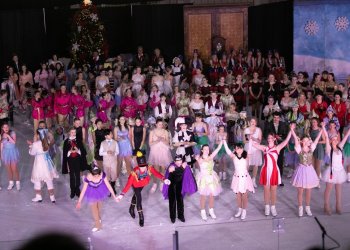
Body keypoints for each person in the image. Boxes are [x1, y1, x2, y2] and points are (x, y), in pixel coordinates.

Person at [116, 151, 170, 227]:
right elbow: (128, 184)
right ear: (138, 165)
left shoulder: (149, 168)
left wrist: (164, 179)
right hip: (136, 185)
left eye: (144, 165)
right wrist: (121, 195)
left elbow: (156, 173)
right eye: (141, 166)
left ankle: (131, 208)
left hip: (142, 185)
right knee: (139, 198)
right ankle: (141, 217)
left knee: (135, 195)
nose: (143, 168)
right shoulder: (135, 172)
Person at [252, 124, 293, 217]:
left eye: (271, 137)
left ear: (274, 139)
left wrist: (291, 130)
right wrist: (252, 136)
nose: (269, 139)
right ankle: (266, 206)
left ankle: (273, 207)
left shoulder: (277, 148)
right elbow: (254, 145)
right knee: (266, 190)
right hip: (266, 170)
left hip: (274, 171)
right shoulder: (264, 148)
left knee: (273, 190)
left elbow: (286, 141)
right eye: (268, 138)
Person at [290, 124, 323, 217]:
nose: (305, 142)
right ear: (302, 142)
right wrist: (292, 130)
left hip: (309, 170)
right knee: (300, 191)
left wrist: (322, 129)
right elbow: (296, 140)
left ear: (308, 141)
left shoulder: (311, 149)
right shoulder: (299, 149)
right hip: (301, 170)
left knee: (308, 190)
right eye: (303, 141)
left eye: (307, 140)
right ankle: (300, 208)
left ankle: (307, 207)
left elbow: (317, 140)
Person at [76, 165, 117, 232]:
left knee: (99, 207)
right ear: (91, 174)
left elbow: (109, 186)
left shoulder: (102, 175)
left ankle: (98, 217)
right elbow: (83, 190)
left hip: (100, 190)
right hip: (91, 191)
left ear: (100, 173)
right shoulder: (88, 177)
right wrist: (79, 202)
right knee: (94, 209)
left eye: (98, 175)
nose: (97, 177)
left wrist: (114, 196)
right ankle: (97, 225)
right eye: (95, 176)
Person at [321, 125, 350, 215]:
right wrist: (323, 128)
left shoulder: (340, 147)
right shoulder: (329, 149)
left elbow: (345, 137)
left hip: (340, 171)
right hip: (331, 172)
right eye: (334, 139)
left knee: (338, 190)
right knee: (328, 189)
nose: (335, 140)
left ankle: (338, 206)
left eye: (336, 139)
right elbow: (326, 137)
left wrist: (349, 130)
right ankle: (326, 205)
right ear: (331, 140)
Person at [223, 140, 254, 220]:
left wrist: (250, 141)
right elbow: (227, 150)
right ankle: (240, 209)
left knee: (244, 195)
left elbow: (250, 149)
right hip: (237, 178)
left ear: (242, 149)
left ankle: (244, 210)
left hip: (244, 178)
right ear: (235, 150)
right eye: (237, 148)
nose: (239, 150)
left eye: (240, 148)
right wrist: (224, 142)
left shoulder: (246, 156)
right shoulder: (234, 156)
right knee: (238, 195)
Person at [162, 155, 197, 223]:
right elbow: (175, 171)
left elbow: (190, 163)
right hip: (171, 187)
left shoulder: (184, 165)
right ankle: (172, 217)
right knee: (172, 202)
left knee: (180, 201)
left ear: (182, 160)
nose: (178, 162)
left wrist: (195, 159)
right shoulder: (171, 166)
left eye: (180, 161)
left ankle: (181, 216)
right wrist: (182, 167)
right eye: (177, 161)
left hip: (180, 187)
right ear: (174, 161)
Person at [28, 128, 59, 202]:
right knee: (48, 179)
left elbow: (32, 153)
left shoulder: (36, 144)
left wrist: (31, 146)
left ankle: (38, 196)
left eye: (36, 134)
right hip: (46, 163)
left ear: (38, 135)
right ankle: (52, 197)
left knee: (37, 179)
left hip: (39, 163)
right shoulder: (47, 141)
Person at [195, 141, 223, 221]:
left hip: (211, 178)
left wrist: (222, 141)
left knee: (211, 195)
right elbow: (201, 162)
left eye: (207, 149)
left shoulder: (211, 156)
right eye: (205, 149)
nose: (207, 150)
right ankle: (203, 211)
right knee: (203, 196)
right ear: (202, 150)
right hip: (203, 178)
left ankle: (211, 210)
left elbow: (217, 149)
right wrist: (199, 158)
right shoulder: (199, 158)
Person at [264, 112, 289, 185]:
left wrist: (281, 138)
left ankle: (279, 179)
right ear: (273, 117)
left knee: (280, 163)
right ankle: (271, 178)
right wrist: (272, 137)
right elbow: (265, 134)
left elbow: (286, 136)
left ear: (280, 118)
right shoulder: (268, 124)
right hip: (271, 147)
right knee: (271, 163)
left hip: (280, 146)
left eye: (277, 117)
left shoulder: (284, 124)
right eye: (274, 117)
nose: (276, 119)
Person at [148, 118, 172, 192]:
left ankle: (162, 183)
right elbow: (150, 143)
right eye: (159, 124)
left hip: (164, 151)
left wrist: (163, 140)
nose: (160, 126)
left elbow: (168, 143)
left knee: (162, 168)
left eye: (162, 124)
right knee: (156, 169)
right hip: (155, 152)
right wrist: (157, 141)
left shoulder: (165, 131)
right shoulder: (152, 132)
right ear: (156, 124)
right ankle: (155, 183)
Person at [62, 128, 85, 199]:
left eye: (74, 132)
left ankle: (77, 190)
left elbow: (82, 150)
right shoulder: (66, 141)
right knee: (71, 175)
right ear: (69, 133)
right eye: (72, 132)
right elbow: (65, 151)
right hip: (70, 160)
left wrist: (78, 151)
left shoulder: (78, 140)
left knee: (77, 175)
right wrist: (70, 151)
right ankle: (72, 190)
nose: (73, 133)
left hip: (77, 159)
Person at [99, 129, 119, 195]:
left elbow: (117, 152)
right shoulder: (102, 143)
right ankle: (108, 188)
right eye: (110, 134)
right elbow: (100, 153)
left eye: (112, 134)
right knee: (107, 175)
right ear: (106, 136)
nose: (112, 135)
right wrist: (106, 152)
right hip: (106, 162)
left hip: (113, 161)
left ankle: (113, 187)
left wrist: (113, 153)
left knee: (114, 174)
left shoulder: (115, 142)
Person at [1, 123, 20, 190]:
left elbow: (14, 143)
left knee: (14, 169)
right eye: (4, 127)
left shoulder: (13, 133)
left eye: (7, 127)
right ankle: (11, 183)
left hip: (13, 152)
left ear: (8, 127)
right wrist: (1, 155)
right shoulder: (1, 135)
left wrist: (8, 136)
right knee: (8, 169)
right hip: (5, 153)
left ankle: (18, 183)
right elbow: (1, 146)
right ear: (2, 128)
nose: (6, 128)